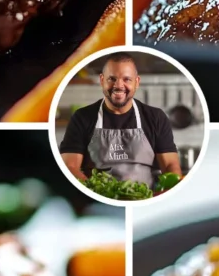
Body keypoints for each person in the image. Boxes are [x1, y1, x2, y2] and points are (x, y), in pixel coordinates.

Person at [59, 53, 182, 189]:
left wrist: (169, 189)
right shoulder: (82, 117)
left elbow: (170, 165)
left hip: (146, 196)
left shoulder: (156, 117)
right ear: (102, 80)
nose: (118, 85)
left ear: (137, 82)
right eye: (112, 79)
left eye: (127, 79)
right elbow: (70, 166)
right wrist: (93, 191)